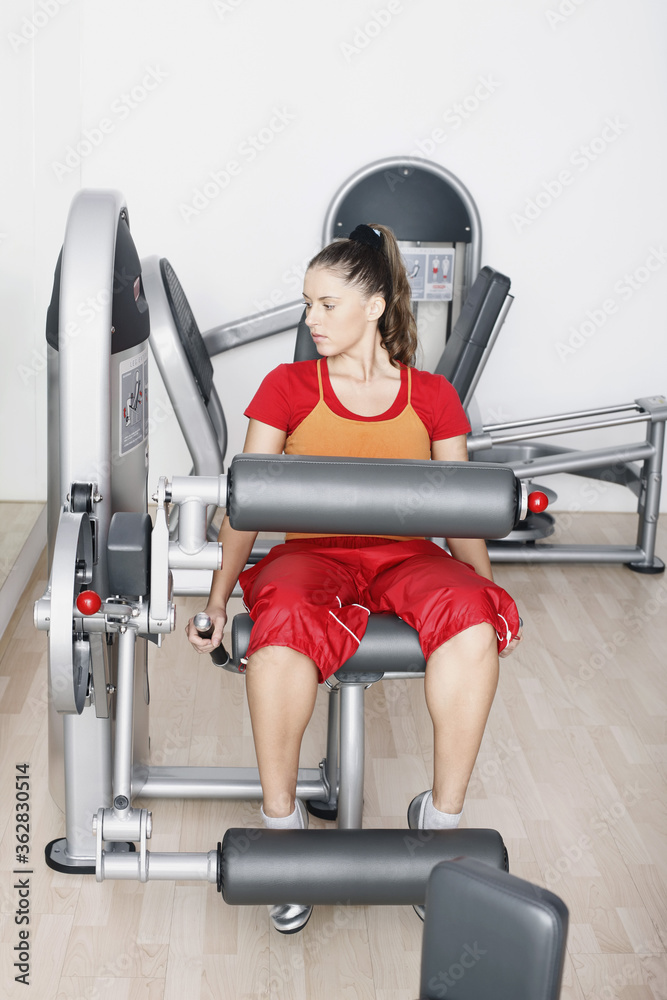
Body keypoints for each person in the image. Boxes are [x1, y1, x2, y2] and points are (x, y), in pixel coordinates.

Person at [187, 223, 522, 931]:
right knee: (278, 630)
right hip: (312, 556)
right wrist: (217, 598)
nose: (310, 320)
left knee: (467, 619)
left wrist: (487, 595)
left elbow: (460, 512)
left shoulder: (430, 397)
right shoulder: (285, 387)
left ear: (373, 306)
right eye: (307, 304)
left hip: (405, 557)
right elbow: (247, 505)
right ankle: (284, 839)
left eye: (326, 305)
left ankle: (440, 827)